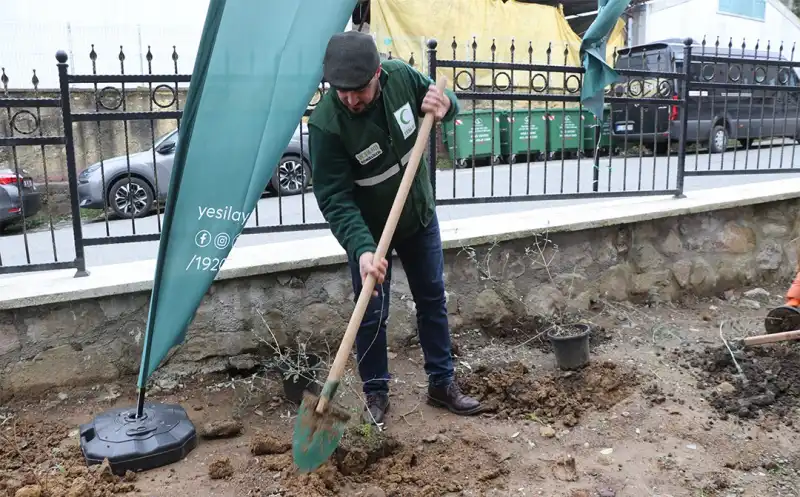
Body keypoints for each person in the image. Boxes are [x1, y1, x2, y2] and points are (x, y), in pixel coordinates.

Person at [308, 31, 483, 426]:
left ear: (377, 74)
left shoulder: (401, 77)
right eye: (340, 91)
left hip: (417, 215)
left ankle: (442, 383)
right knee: (370, 313)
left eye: (358, 89)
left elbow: (440, 100)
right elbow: (334, 198)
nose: (350, 99)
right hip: (371, 235)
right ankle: (376, 393)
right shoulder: (326, 125)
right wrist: (362, 249)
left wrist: (447, 105)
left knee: (432, 299)